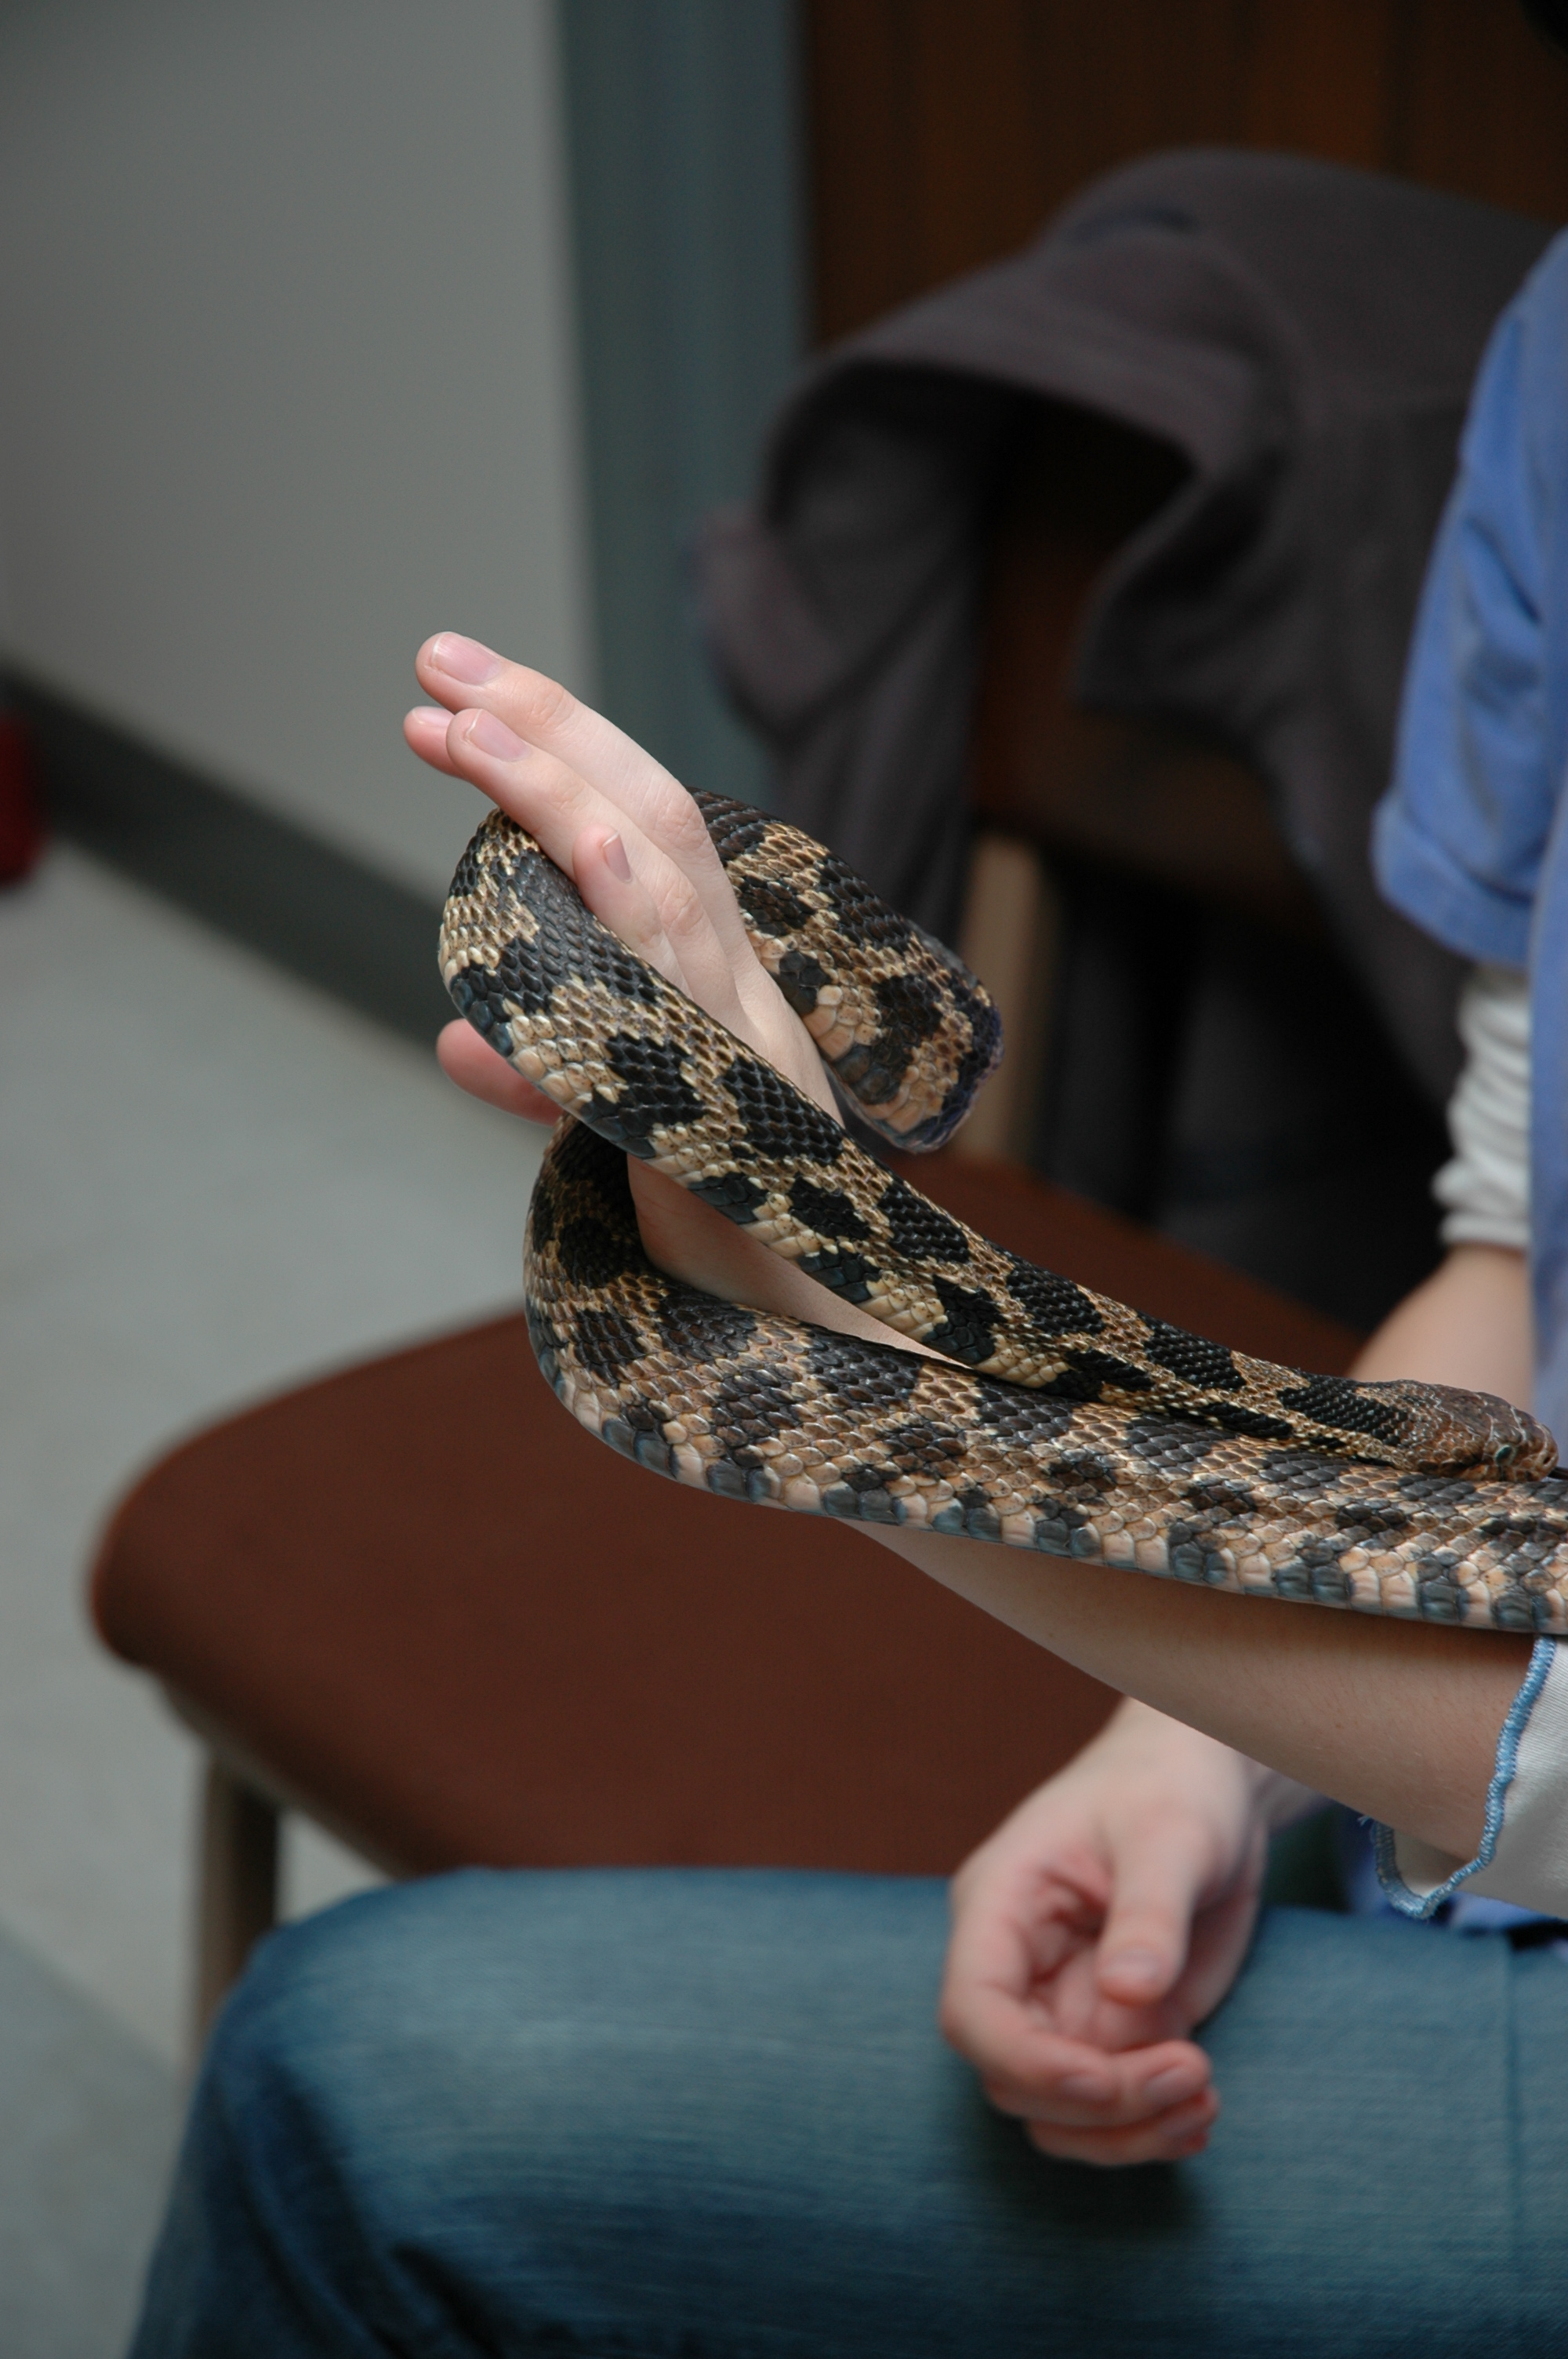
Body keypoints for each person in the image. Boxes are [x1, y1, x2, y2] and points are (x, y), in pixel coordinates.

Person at [129, 221, 1568, 2357]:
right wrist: (1188, 1756)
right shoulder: (1554, 358)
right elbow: (1519, 1242)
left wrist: (822, 1316)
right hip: (1410, 1752)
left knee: (336, 2079)